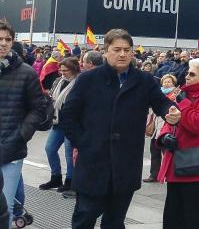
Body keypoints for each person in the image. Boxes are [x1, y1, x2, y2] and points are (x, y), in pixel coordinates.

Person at [59, 28, 181, 229]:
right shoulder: (88, 79)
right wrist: (85, 143)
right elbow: (68, 116)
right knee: (84, 217)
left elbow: (161, 103)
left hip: (126, 162)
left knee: (115, 222)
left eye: (127, 49)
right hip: (93, 162)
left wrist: (171, 112)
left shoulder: (143, 80)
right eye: (117, 49)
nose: (123, 54)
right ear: (105, 51)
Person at [157, 58, 199, 229]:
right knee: (173, 218)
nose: (186, 76)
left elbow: (198, 124)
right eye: (188, 72)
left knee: (194, 220)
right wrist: (164, 137)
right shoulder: (185, 94)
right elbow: (170, 120)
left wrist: (183, 103)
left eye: (192, 74)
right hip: (179, 164)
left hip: (197, 168)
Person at [0, 21, 49, 229]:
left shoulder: (27, 72)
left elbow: (37, 109)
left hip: (10, 151)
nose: (3, 43)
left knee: (5, 210)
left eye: (7, 39)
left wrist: (20, 136)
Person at [39, 57, 81, 193]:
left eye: (65, 71)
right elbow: (52, 96)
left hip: (71, 123)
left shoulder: (80, 83)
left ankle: (70, 181)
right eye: (61, 70)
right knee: (49, 148)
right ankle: (56, 177)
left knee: (69, 154)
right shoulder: (58, 81)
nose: (62, 73)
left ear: (74, 70)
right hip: (57, 122)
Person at [143, 75, 180, 183]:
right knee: (154, 151)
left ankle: (171, 174)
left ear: (173, 83)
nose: (166, 84)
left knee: (166, 151)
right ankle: (154, 175)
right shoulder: (158, 93)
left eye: (169, 82)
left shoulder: (177, 94)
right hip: (156, 125)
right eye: (165, 82)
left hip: (166, 126)